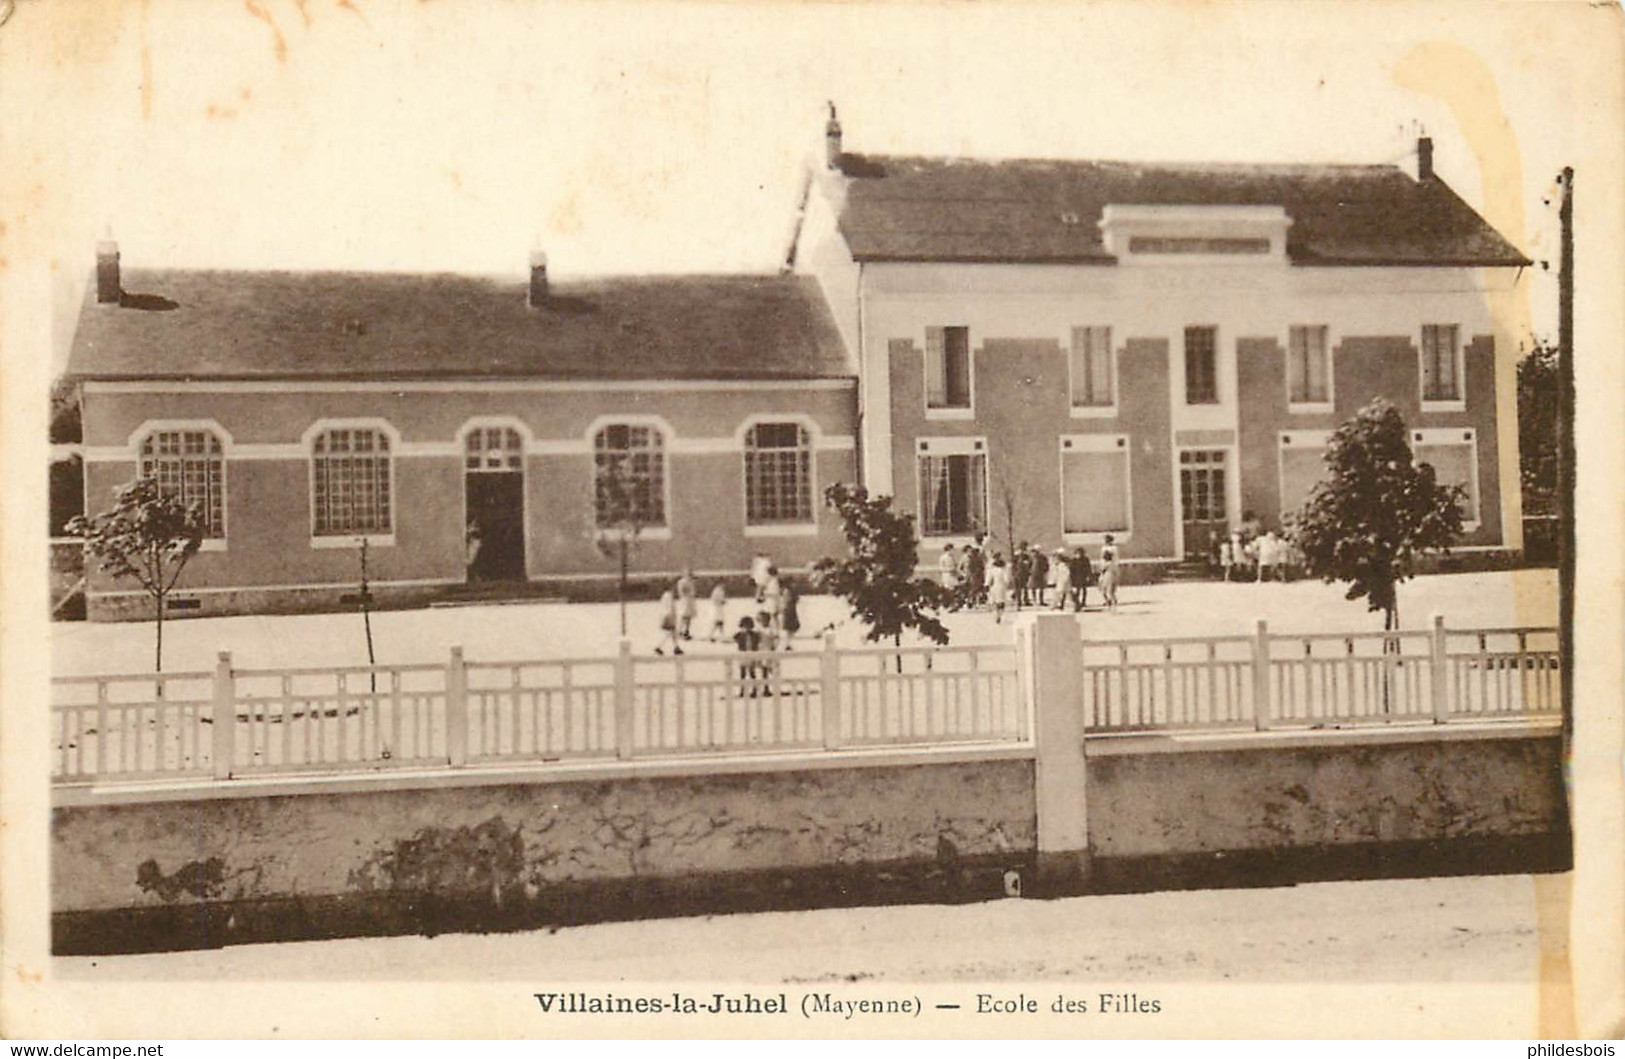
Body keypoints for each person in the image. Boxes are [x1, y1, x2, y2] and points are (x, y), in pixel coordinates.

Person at [733, 615, 761, 696]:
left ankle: (754, 690)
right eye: (745, 626)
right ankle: (742, 690)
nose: (746, 628)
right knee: (742, 674)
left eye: (748, 626)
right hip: (743, 655)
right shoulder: (739, 635)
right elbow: (733, 639)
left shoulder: (754, 635)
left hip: (751, 655)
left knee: (752, 673)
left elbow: (758, 643)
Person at [985, 553, 1011, 624]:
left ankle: (997, 614)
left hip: (994, 586)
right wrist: (1007, 584)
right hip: (1001, 586)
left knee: (996, 601)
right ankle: (1000, 613)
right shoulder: (1004, 569)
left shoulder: (992, 569)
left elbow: (988, 579)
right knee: (1001, 601)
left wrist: (987, 585)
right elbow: (1007, 579)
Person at [655, 589, 682, 655]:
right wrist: (672, 617)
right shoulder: (669, 596)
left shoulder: (665, 596)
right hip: (669, 617)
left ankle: (676, 647)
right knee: (669, 633)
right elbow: (670, 607)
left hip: (666, 616)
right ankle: (659, 646)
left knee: (673, 634)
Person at [1098, 534, 1121, 612]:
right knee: (1104, 589)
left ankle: (1112, 604)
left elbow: (1115, 560)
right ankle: (1109, 602)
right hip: (1106, 572)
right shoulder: (1103, 548)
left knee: (1110, 590)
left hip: (1110, 572)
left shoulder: (1114, 549)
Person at [675, 568, 698, 639]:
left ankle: (686, 631)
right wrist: (688, 593)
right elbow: (681, 591)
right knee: (684, 616)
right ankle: (679, 631)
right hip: (685, 600)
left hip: (690, 600)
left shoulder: (691, 581)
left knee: (689, 617)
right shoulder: (682, 582)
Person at [964, 542, 987, 610]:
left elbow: (970, 568)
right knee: (977, 590)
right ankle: (975, 602)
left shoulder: (971, 560)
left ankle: (972, 602)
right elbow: (982, 567)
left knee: (973, 590)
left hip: (974, 576)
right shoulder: (978, 559)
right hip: (978, 577)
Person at [1027, 544, 1049, 609]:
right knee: (1033, 587)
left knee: (1041, 588)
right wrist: (1029, 571)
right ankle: (1034, 600)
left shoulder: (1043, 557)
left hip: (1041, 574)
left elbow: (1046, 565)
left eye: (1036, 551)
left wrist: (1045, 571)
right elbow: (1029, 565)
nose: (1035, 552)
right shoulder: (1032, 557)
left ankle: (1041, 600)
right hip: (1033, 574)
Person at [780, 578, 801, 646]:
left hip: (791, 609)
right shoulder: (787, 591)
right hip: (789, 610)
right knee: (789, 627)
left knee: (792, 627)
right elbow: (787, 601)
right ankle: (788, 643)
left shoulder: (791, 591)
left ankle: (789, 642)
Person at [1011, 543, 1031, 609]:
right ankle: (1020, 601)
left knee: (1024, 588)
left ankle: (1024, 600)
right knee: (1020, 588)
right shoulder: (1019, 555)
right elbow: (1013, 564)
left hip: (1023, 574)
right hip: (1019, 574)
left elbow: (1029, 564)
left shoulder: (1025, 555)